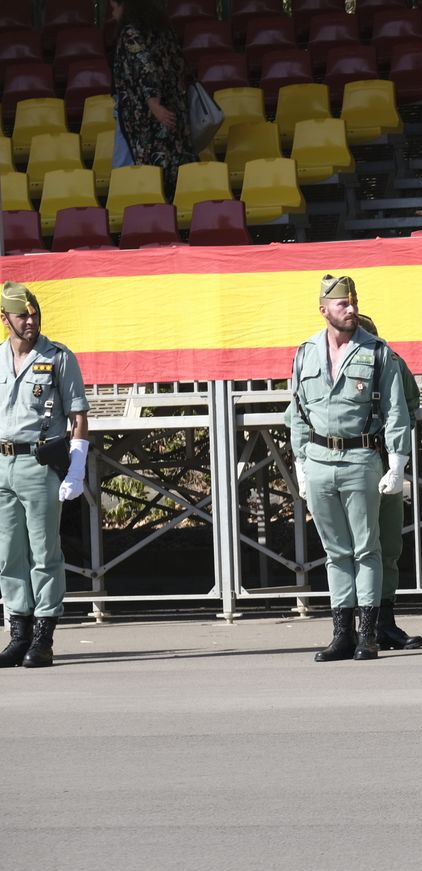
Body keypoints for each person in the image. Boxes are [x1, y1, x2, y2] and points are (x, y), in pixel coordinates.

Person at [286, 276, 412, 662]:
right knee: (335, 551)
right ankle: (342, 633)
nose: (351, 309)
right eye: (343, 304)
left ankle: (368, 634)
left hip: (360, 458)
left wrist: (397, 462)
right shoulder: (305, 353)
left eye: (354, 302)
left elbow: (396, 411)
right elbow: (297, 412)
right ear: (324, 309)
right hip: (319, 459)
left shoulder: (376, 352)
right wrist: (301, 463)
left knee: (366, 548)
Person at [0, 282, 90, 669]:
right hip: (2, 463)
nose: (31, 321)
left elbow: (78, 416)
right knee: (8, 554)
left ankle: (43, 637)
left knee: (44, 552)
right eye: (22, 315)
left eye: (34, 314)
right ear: (5, 319)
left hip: (38, 464)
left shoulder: (57, 358)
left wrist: (77, 467)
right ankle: (18, 635)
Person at [354, 312, 422, 651]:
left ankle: (383, 623)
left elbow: (410, 402)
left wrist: (390, 436)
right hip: (351, 461)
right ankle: (352, 625)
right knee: (353, 547)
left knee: (388, 544)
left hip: (384, 459)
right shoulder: (329, 364)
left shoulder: (391, 361)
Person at [108, 0, 196, 192]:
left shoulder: (131, 33)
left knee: (140, 167)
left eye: (113, 7)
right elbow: (179, 64)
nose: (112, 14)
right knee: (171, 162)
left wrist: (153, 103)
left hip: (143, 114)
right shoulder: (164, 29)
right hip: (172, 106)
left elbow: (145, 67)